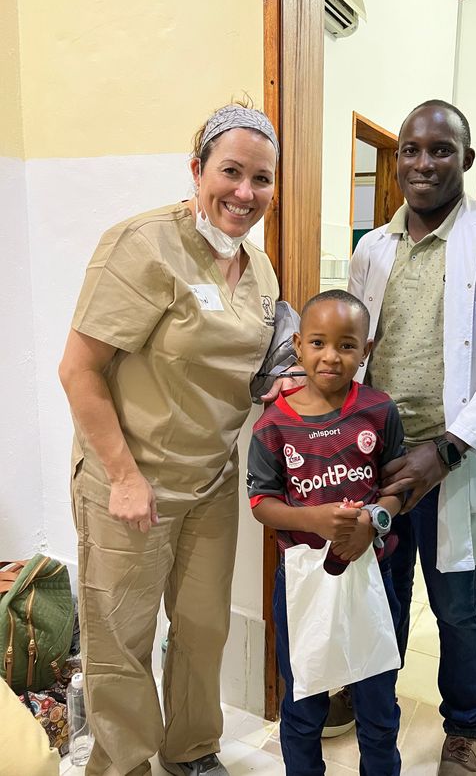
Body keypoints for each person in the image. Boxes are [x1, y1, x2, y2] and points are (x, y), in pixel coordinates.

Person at [59, 103, 294, 776]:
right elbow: (79, 370)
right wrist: (125, 477)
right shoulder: (142, 245)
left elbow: (247, 369)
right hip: (130, 479)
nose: (245, 193)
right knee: (121, 639)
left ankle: (191, 750)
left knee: (203, 628)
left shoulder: (259, 266)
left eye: (261, 179)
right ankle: (126, 762)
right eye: (230, 172)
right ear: (197, 170)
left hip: (210, 479)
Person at [325, 100, 476, 775]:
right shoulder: (372, 249)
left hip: (452, 460)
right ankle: (370, 700)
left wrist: (445, 448)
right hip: (379, 459)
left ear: (467, 160)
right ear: (398, 163)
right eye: (411, 150)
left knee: (456, 606)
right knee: (376, 595)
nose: (423, 162)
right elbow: (356, 347)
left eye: (441, 150)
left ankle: (464, 729)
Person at [248, 290, 406, 776]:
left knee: (377, 704)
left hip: (372, 579)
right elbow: (262, 504)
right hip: (302, 587)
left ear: (367, 350)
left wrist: (373, 522)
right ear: (298, 345)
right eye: (317, 342)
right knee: (303, 703)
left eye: (346, 345)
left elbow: (398, 487)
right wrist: (313, 520)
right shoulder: (273, 425)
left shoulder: (379, 411)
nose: (331, 357)